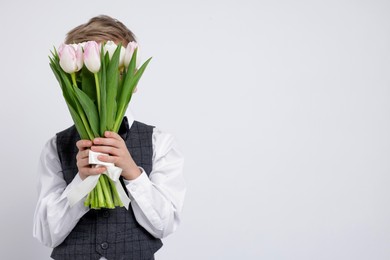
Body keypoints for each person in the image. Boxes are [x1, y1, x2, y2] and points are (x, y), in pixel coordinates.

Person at [33, 15, 186, 260]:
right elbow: (47, 235)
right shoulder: (56, 146)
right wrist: (82, 181)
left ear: (133, 77)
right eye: (89, 72)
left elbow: (164, 225)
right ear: (74, 80)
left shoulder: (160, 142)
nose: (103, 81)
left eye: (117, 70)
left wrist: (132, 172)